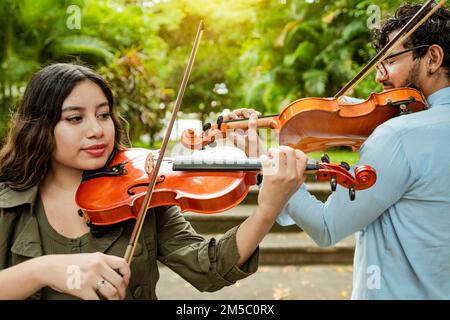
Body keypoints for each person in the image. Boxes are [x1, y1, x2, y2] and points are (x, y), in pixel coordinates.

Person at [0, 63, 307, 300]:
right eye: (75, 118)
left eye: (104, 114)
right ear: (39, 126)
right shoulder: (7, 204)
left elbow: (208, 268)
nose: (97, 130)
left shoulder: (143, 195)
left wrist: (267, 210)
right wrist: (43, 270)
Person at [275, 3, 450, 299]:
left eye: (390, 61)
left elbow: (327, 227)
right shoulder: (401, 129)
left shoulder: (398, 136)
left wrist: (276, 171)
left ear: (432, 58)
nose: (379, 77)